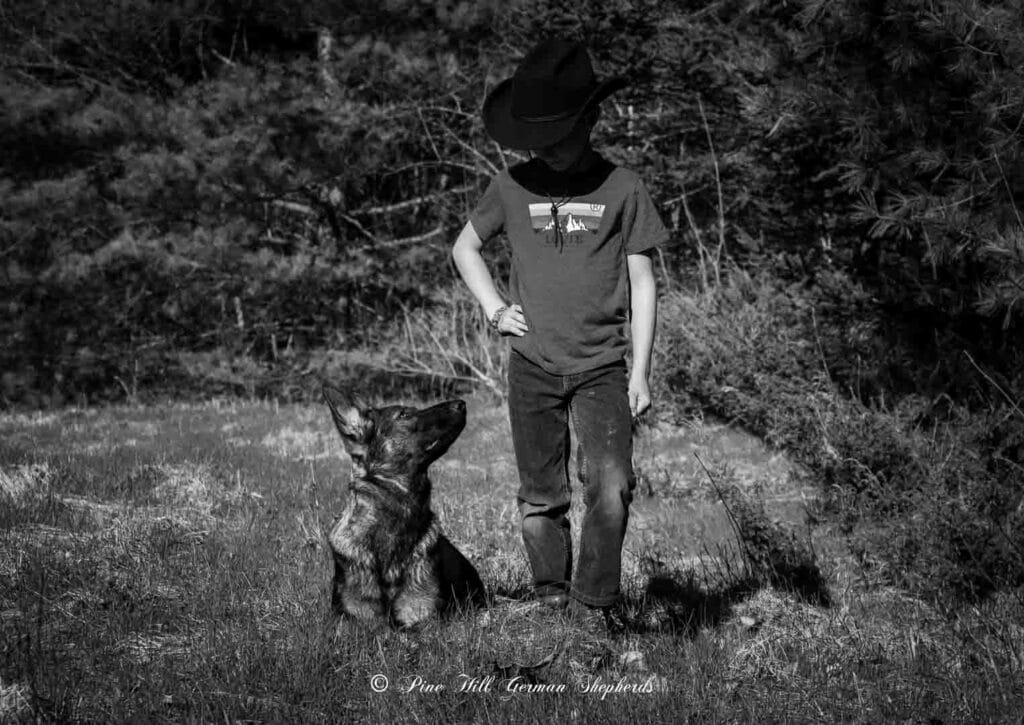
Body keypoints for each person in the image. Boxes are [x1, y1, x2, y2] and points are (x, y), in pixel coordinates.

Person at [451, 38, 668, 626]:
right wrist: (496, 308)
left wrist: (641, 370)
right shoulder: (511, 187)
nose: (546, 150)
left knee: (612, 485)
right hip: (533, 366)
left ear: (591, 120)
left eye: (559, 135)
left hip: (602, 366)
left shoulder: (624, 188)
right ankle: (551, 596)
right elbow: (465, 247)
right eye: (536, 140)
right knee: (541, 494)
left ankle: (593, 606)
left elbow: (643, 282)